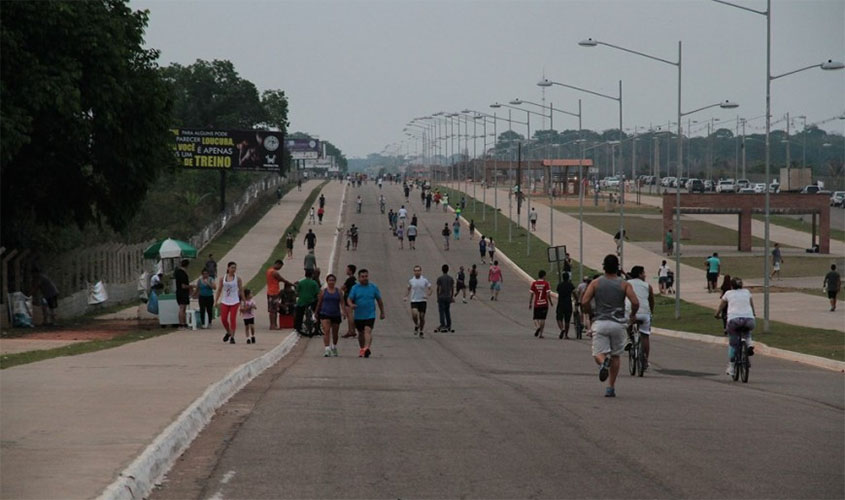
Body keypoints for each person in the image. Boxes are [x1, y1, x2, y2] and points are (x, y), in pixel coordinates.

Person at [580, 254, 640, 398]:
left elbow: (584, 301)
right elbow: (635, 302)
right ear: (617, 267)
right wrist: (632, 315)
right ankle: (610, 387)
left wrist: (590, 313)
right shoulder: (624, 284)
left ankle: (602, 363)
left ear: (604, 267)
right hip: (618, 324)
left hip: (600, 322)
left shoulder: (595, 283)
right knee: (616, 356)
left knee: (597, 353)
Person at [715, 277, 756, 377]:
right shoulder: (747, 292)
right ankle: (749, 344)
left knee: (733, 344)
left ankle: (732, 367)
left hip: (734, 320)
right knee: (747, 331)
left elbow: (722, 305)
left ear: (732, 286)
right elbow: (751, 304)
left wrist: (717, 314)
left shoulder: (728, 293)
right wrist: (753, 314)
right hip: (749, 319)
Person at [346, 269, 385, 358]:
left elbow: (379, 300)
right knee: (360, 333)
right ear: (359, 278)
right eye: (362, 277)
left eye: (366, 276)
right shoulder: (355, 288)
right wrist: (351, 305)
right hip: (359, 315)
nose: (365, 278)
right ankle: (362, 348)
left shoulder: (373, 287)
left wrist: (382, 312)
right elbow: (349, 299)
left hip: (370, 314)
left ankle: (366, 348)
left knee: (367, 330)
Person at [625, 266, 655, 370]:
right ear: (639, 274)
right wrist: (651, 313)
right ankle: (645, 360)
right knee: (645, 336)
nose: (645, 275)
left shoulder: (627, 284)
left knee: (627, 324)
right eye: (643, 273)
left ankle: (628, 339)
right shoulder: (648, 286)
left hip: (630, 311)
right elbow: (651, 301)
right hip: (644, 313)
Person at [215, 261, 244, 344]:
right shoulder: (222, 278)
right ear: (228, 268)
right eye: (232, 267)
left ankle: (232, 337)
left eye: (235, 267)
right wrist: (216, 300)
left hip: (235, 301)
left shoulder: (238, 279)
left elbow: (241, 290)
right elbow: (219, 290)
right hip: (225, 301)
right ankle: (228, 332)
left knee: (232, 319)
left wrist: (243, 302)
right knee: (223, 319)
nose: (233, 269)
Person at [315, 274, 344, 357]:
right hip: (325, 313)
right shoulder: (323, 291)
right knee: (326, 331)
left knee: (335, 333)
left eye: (333, 280)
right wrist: (316, 312)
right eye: (330, 280)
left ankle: (334, 346)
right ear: (327, 281)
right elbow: (319, 302)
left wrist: (343, 312)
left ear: (335, 281)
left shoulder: (339, 292)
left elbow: (342, 302)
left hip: (336, 314)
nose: (331, 282)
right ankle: (327, 349)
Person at [405, 265, 433, 337]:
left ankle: (421, 331)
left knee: (422, 316)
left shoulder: (424, 280)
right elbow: (408, 289)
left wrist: (428, 295)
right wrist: (406, 296)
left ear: (420, 271)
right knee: (414, 315)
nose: (417, 272)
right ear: (414, 272)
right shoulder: (411, 280)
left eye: (418, 271)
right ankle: (416, 325)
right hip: (414, 300)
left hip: (422, 300)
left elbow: (430, 288)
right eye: (415, 271)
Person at [266, 259, 294, 330]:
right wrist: (292, 284)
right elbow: (283, 280)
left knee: (273, 310)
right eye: (280, 267)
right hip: (274, 292)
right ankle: (273, 325)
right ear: (278, 264)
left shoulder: (269, 271)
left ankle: (274, 324)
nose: (279, 268)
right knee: (273, 310)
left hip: (270, 292)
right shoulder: (274, 272)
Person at [294, 269, 320, 335]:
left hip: (302, 301)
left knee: (299, 315)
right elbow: (317, 293)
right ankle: (317, 327)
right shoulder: (314, 283)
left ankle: (298, 327)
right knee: (316, 313)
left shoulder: (301, 282)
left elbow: (296, 292)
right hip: (311, 301)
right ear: (312, 275)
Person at [529, 270, 553, 338]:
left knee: (535, 318)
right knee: (543, 319)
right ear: (543, 276)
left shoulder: (534, 283)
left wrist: (530, 303)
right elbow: (548, 294)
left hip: (537, 303)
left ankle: (538, 327)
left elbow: (531, 294)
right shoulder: (546, 283)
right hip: (544, 303)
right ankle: (541, 334)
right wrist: (551, 302)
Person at [436, 264, 455, 333]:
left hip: (442, 297)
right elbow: (452, 289)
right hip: (448, 297)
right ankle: (449, 325)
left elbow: (438, 289)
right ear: (448, 270)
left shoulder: (440, 278)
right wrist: (451, 297)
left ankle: (442, 325)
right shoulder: (451, 278)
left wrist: (438, 297)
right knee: (447, 311)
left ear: (442, 270)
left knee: (441, 312)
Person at [556, 272, 576, 339]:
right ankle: (566, 335)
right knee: (567, 320)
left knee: (559, 318)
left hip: (561, 303)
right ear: (568, 277)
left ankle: (562, 329)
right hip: (568, 303)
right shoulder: (570, 285)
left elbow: (558, 291)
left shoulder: (560, 285)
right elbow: (574, 292)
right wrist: (577, 299)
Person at [341, 264, 358, 338]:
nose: (346, 270)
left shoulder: (349, 279)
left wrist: (344, 290)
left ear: (351, 271)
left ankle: (351, 331)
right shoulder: (353, 279)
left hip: (348, 298)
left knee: (350, 315)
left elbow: (343, 287)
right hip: (351, 298)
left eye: (347, 269)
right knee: (350, 315)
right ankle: (352, 330)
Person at [174, 259, 191, 329]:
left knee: (183, 308)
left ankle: (183, 323)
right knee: (182, 308)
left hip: (180, 292)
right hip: (182, 292)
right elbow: (183, 285)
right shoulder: (182, 274)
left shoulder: (178, 272)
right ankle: (181, 324)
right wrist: (191, 286)